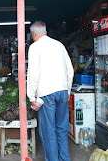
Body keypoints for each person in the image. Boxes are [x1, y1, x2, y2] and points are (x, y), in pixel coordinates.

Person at [27, 21, 74, 161]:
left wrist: (31, 97)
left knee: (48, 132)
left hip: (46, 95)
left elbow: (33, 74)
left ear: (34, 34)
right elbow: (69, 70)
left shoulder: (34, 47)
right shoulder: (60, 45)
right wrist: (67, 91)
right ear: (45, 31)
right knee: (61, 129)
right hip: (62, 92)